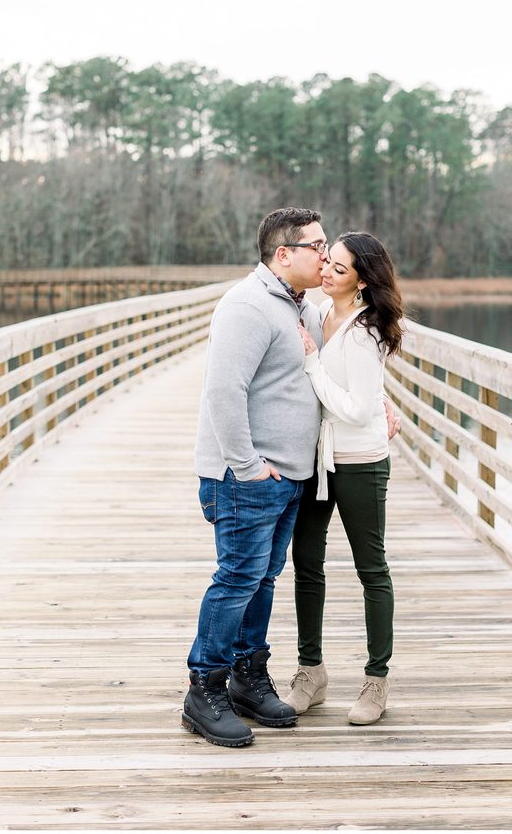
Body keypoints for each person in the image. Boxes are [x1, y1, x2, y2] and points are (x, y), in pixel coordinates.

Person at [182, 207, 329, 748]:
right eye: (315, 245)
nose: (325, 253)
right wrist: (247, 467)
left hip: (288, 475)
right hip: (246, 476)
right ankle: (205, 689)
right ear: (282, 254)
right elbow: (224, 392)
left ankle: (247, 677)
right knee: (237, 579)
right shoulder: (247, 306)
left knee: (261, 580)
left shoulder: (303, 306)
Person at [283, 231, 404, 725]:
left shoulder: (365, 328)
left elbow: (356, 408)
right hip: (316, 457)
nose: (326, 271)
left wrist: (313, 363)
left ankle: (376, 683)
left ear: (361, 279)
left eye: (338, 268)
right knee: (306, 561)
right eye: (326, 262)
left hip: (359, 459)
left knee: (370, 568)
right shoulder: (314, 313)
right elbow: (356, 391)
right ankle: (311, 672)